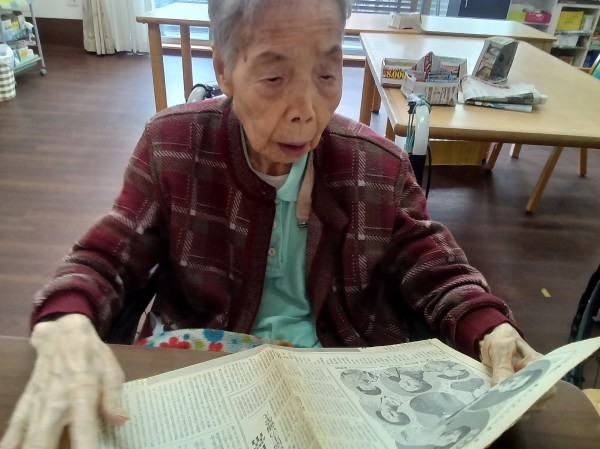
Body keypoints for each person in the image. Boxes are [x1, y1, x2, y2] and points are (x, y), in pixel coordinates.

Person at [0, 1, 545, 448]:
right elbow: (108, 255)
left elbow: (431, 263)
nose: (306, 109)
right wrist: (67, 317)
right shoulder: (173, 146)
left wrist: (488, 326)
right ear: (223, 70)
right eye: (274, 77)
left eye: (326, 74)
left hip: (338, 372)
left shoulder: (374, 165)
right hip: (203, 370)